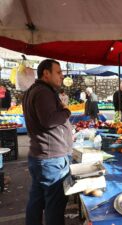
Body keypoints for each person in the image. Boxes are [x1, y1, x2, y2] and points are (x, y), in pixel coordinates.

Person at [22, 59, 73, 225]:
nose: (62, 76)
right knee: (55, 205)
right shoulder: (43, 92)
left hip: (41, 157)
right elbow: (49, 121)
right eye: (58, 72)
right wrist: (66, 112)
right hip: (51, 160)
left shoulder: (34, 91)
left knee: (37, 200)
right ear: (46, 73)